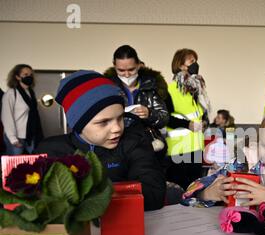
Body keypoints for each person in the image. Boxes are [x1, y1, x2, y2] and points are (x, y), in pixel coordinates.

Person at [35, 70, 166, 211]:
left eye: (120, 118)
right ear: (78, 124)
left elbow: (154, 195)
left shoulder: (134, 142)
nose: (117, 128)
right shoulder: (51, 152)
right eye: (104, 122)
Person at [104, 45, 169, 160]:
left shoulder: (152, 86)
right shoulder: (106, 88)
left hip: (147, 147)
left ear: (139, 65)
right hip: (117, 147)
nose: (127, 74)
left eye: (131, 69)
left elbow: (164, 118)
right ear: (114, 66)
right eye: (121, 70)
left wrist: (149, 113)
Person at [165, 48, 212, 190]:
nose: (195, 64)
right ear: (180, 65)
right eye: (191, 61)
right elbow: (166, 118)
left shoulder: (195, 88)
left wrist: (204, 122)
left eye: (196, 61)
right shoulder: (171, 89)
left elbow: (201, 114)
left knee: (194, 189)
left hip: (196, 147)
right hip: (179, 149)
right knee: (180, 190)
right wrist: (188, 124)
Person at [1, 64, 43, 155]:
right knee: (14, 166)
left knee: (33, 164)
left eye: (31, 75)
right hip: (16, 137)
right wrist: (13, 139)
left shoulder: (30, 93)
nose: (29, 77)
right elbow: (6, 117)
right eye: (25, 74)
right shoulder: (11, 93)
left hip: (30, 136)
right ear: (17, 77)